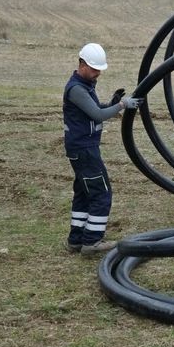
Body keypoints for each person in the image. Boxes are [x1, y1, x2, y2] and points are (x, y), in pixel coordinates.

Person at [63, 43, 138, 255]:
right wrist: (122, 105)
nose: (98, 74)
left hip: (81, 148)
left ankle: (76, 240)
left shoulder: (84, 85)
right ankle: (92, 242)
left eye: (100, 70)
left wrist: (112, 103)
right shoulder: (77, 89)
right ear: (82, 64)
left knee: (84, 193)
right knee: (101, 194)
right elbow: (97, 115)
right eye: (94, 69)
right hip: (84, 150)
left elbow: (94, 110)